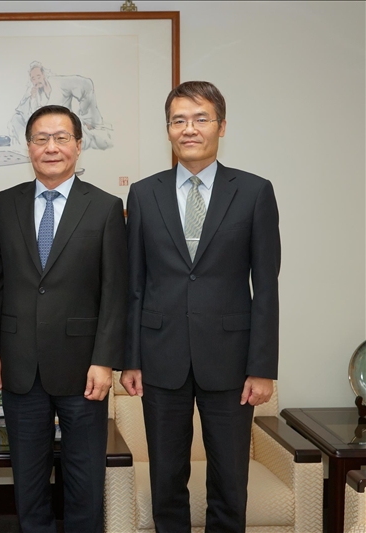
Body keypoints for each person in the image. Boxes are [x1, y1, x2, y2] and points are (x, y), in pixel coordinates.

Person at [122, 81, 281, 533]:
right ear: (168, 129)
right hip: (160, 357)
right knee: (166, 478)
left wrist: (262, 368)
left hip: (231, 361)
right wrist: (130, 359)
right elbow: (135, 284)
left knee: (229, 481)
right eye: (178, 120)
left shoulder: (254, 192)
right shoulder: (144, 194)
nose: (189, 129)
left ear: (221, 126)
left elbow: (265, 286)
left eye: (200, 119)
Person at [0, 104, 127, 533]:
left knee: (85, 480)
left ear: (78, 146)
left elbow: (115, 291)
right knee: (28, 481)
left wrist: (104, 360)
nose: (51, 147)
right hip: (19, 364)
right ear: (29, 147)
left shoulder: (105, 207)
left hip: (84, 369)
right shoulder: (2, 205)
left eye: (61, 138)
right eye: (41, 139)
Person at [7, 61, 113, 150]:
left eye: (38, 76)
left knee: (100, 142)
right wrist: (33, 98)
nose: (36, 81)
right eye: (33, 79)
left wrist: (87, 117)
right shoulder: (35, 94)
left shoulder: (59, 83)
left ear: (44, 75)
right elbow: (33, 118)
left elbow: (86, 84)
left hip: (66, 131)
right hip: (47, 136)